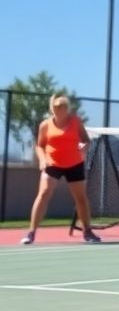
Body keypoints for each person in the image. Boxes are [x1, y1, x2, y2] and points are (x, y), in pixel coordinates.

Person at [23, 95, 101, 245]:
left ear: (67, 108)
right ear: (52, 108)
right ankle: (31, 233)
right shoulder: (45, 125)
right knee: (44, 193)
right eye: (57, 107)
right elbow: (39, 145)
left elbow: (85, 140)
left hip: (74, 164)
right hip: (52, 164)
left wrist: (84, 148)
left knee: (81, 198)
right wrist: (43, 160)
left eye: (63, 106)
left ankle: (87, 232)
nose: (59, 109)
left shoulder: (76, 122)